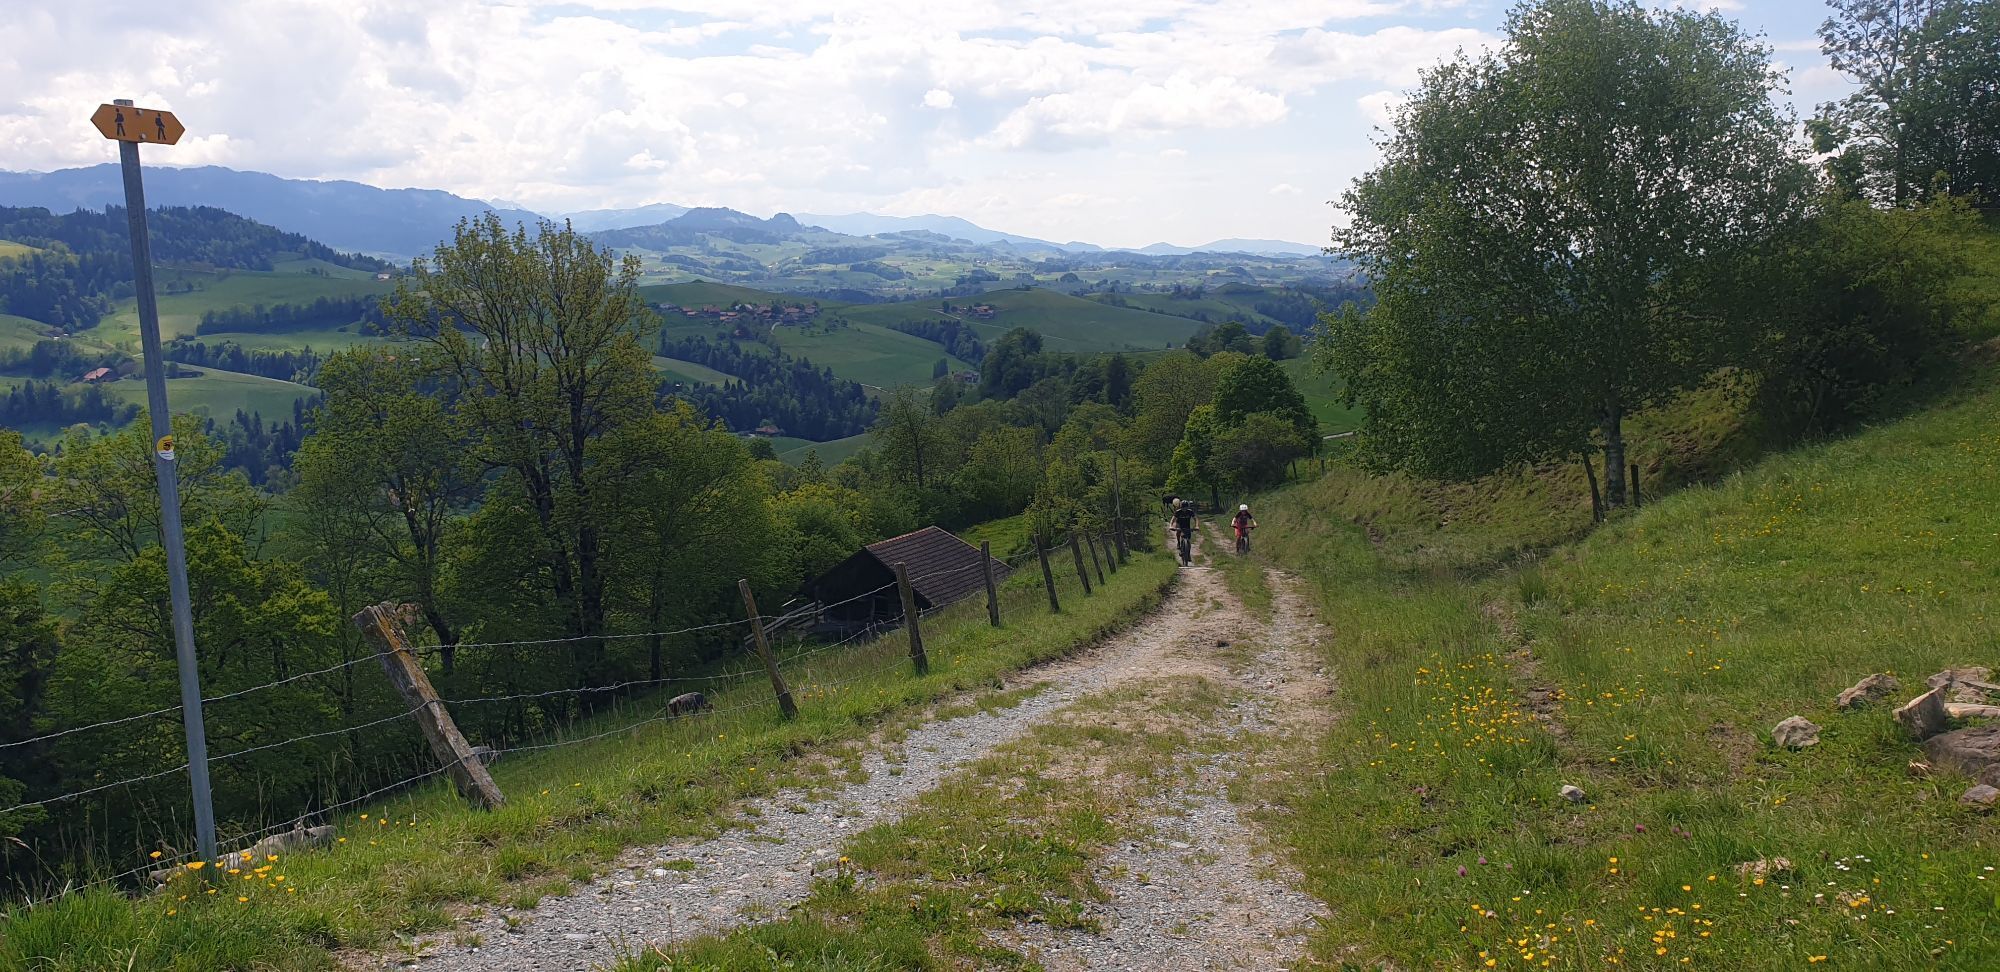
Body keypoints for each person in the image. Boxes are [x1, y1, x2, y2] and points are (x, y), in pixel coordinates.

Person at [1169, 499, 1198, 566]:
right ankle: (1179, 543)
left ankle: (1188, 554)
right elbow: (1173, 519)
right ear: (1180, 507)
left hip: (1187, 526)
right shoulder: (1178, 512)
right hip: (1179, 525)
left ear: (1188, 507)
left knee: (1188, 540)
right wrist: (1171, 526)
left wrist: (1196, 526)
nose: (1184, 509)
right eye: (1183, 507)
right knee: (1178, 532)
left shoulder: (1190, 512)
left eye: (1185, 507)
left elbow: (1195, 519)